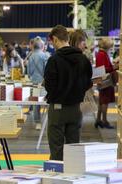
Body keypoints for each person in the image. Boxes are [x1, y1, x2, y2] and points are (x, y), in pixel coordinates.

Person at [44, 25, 93, 161]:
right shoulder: (83, 60)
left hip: (58, 109)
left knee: (57, 150)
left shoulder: (54, 60)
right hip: (76, 109)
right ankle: (73, 178)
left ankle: (58, 180)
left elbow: (49, 86)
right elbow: (88, 82)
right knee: (73, 149)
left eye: (52, 42)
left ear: (55, 39)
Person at [95, 37, 117, 129]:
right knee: (105, 101)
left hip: (103, 81)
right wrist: (114, 67)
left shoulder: (101, 54)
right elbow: (103, 69)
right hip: (105, 82)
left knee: (101, 101)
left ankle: (99, 120)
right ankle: (104, 121)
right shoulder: (102, 54)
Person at [27, 38, 48, 128]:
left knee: (36, 102)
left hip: (34, 82)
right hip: (43, 82)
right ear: (42, 47)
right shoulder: (45, 56)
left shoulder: (31, 56)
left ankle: (37, 122)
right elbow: (47, 71)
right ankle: (48, 119)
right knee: (45, 101)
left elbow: (29, 72)